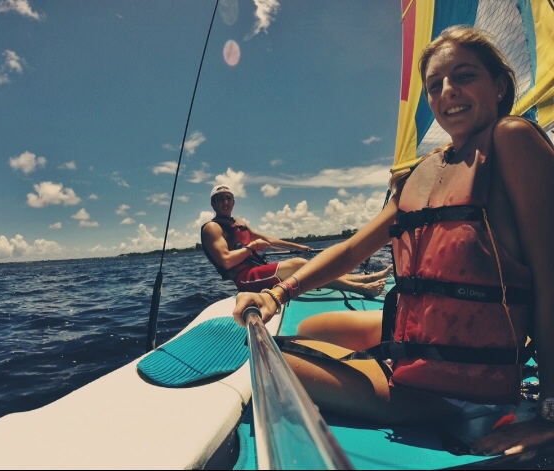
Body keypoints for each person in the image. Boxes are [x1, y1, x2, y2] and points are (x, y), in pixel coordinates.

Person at [232, 25, 554, 457]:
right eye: (435, 85)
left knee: (269, 362)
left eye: (464, 76)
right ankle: (387, 362)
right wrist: (278, 291)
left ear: (499, 86)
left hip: (462, 389)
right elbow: (350, 250)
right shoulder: (424, 172)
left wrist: (549, 413)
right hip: (426, 354)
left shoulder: (512, 141)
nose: (448, 92)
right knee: (311, 327)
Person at [201, 184, 392, 297]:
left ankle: (364, 277)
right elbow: (225, 260)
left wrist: (298, 246)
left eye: (228, 198)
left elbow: (268, 239)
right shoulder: (212, 228)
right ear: (213, 204)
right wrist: (251, 248)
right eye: (220, 199)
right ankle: (361, 288)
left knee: (306, 264)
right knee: (300, 265)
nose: (225, 203)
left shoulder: (239, 222)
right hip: (245, 280)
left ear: (233, 201)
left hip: (258, 271)